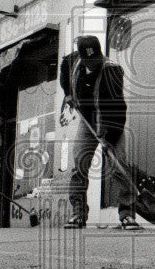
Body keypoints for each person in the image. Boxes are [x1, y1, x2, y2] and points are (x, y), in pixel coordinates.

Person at [59, 35, 137, 229]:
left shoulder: (112, 71)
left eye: (97, 59)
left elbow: (119, 108)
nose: (94, 63)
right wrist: (68, 93)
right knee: (80, 165)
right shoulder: (72, 61)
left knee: (119, 164)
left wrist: (109, 136)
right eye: (90, 61)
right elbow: (63, 71)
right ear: (82, 58)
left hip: (110, 122)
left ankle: (127, 214)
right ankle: (78, 214)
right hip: (87, 121)